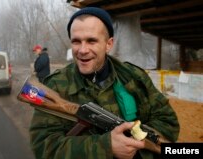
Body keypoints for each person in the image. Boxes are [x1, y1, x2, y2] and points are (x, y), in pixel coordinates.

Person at [29, 7, 179, 159]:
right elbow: (43, 147)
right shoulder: (53, 86)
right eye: (76, 41)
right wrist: (105, 146)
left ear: (109, 44)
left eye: (91, 41)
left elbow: (168, 122)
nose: (82, 50)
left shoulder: (134, 76)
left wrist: (136, 145)